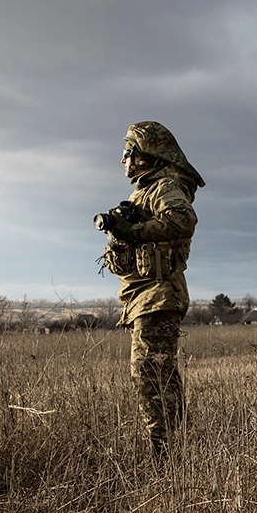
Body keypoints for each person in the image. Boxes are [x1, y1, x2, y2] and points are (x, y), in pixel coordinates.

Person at [97, 121, 204, 458]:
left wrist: (137, 229)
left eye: (127, 153)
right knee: (156, 374)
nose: (122, 161)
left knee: (150, 374)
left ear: (143, 156)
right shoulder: (142, 193)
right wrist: (120, 235)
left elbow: (184, 219)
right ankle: (175, 450)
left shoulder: (162, 188)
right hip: (145, 297)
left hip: (159, 297)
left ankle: (166, 455)